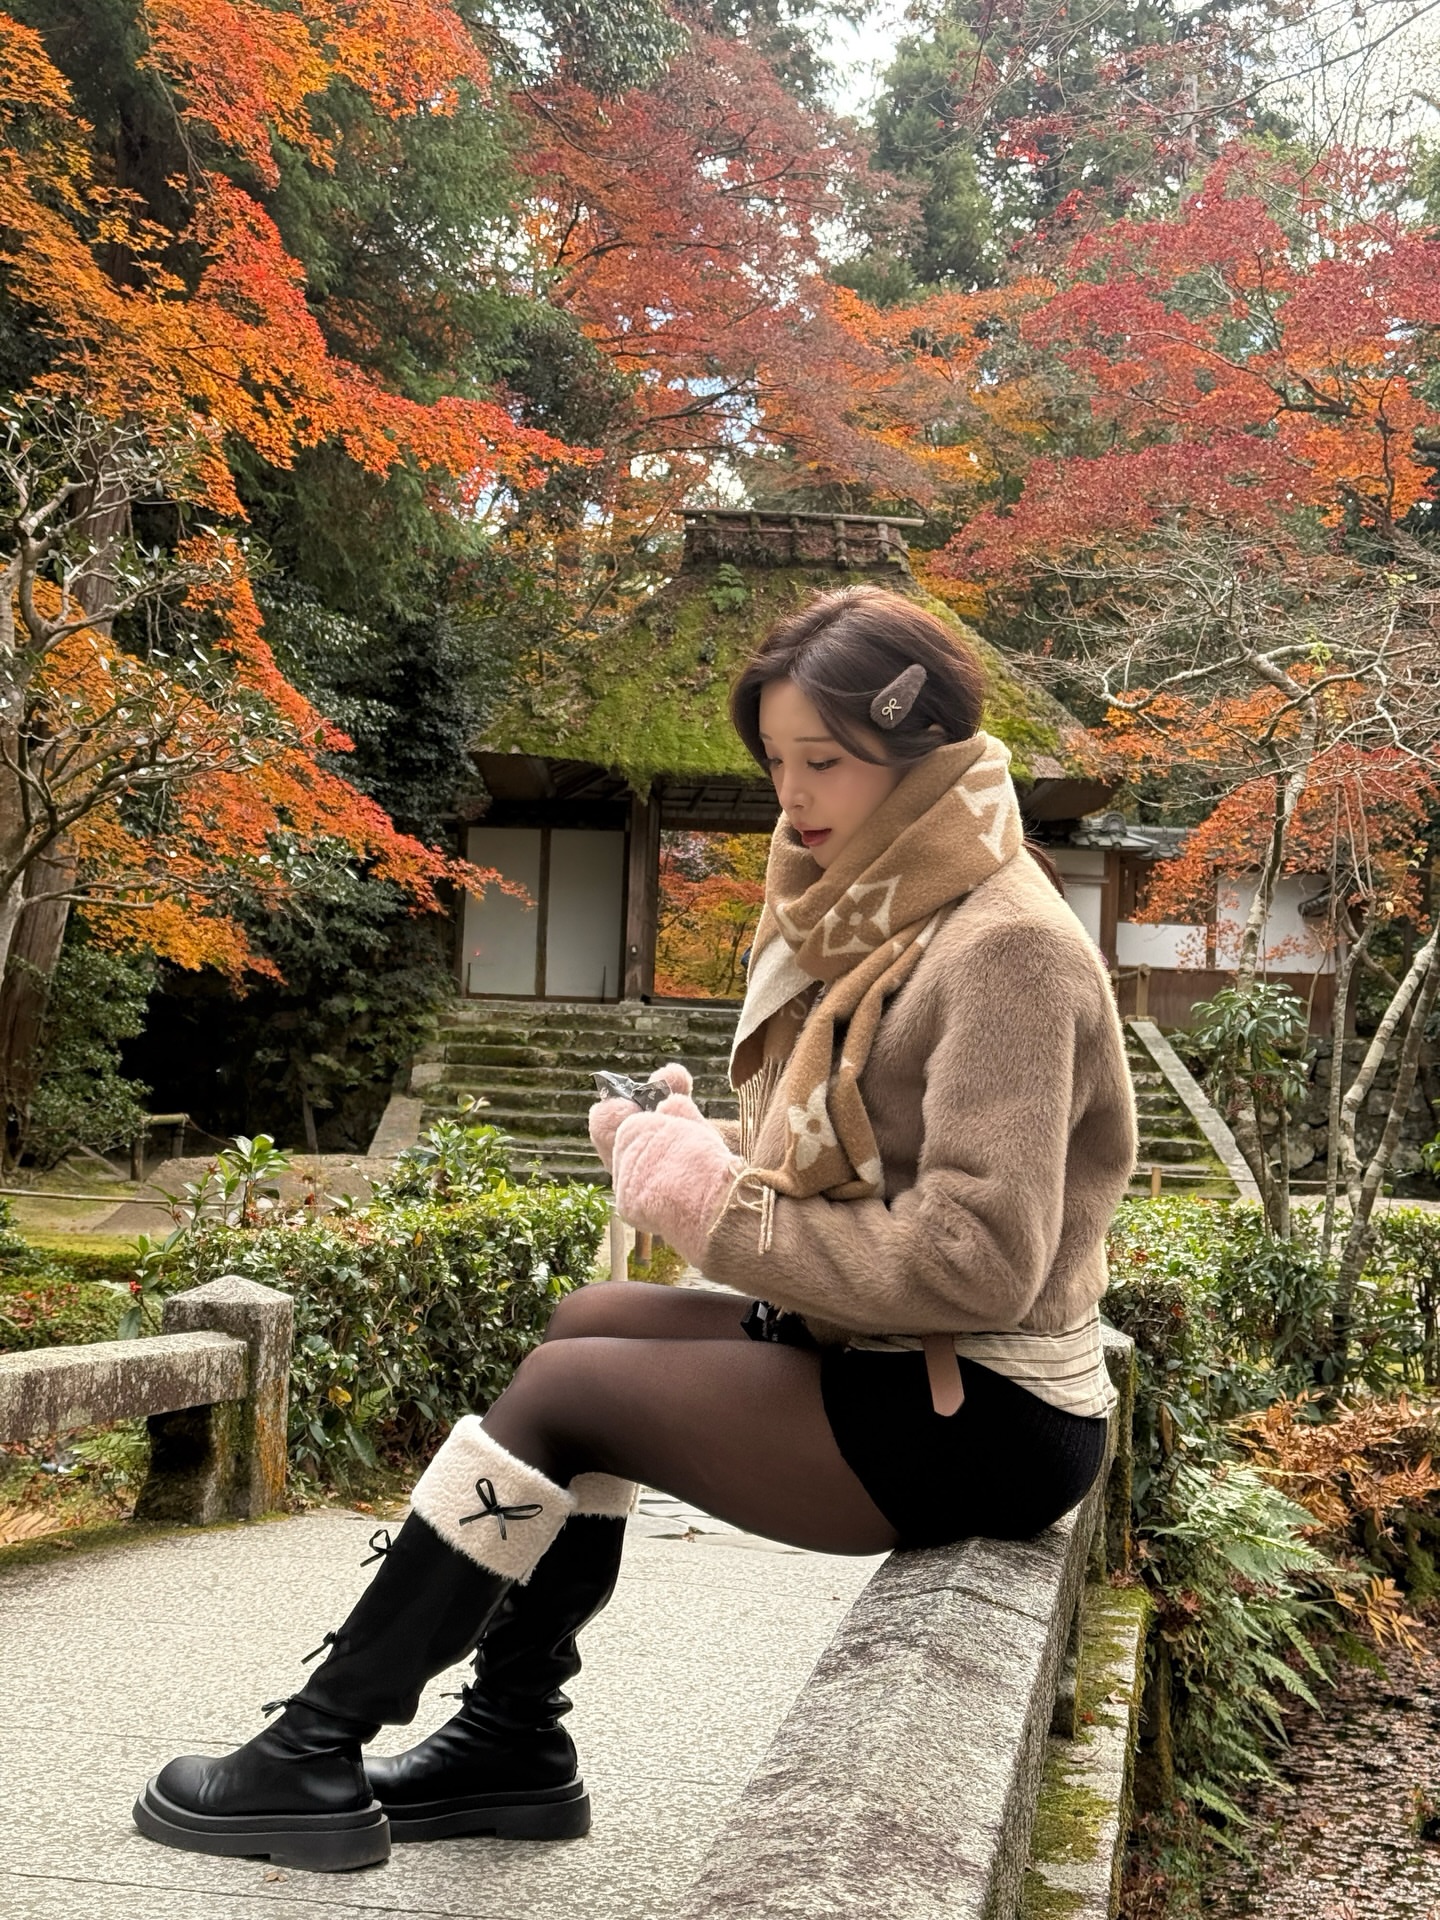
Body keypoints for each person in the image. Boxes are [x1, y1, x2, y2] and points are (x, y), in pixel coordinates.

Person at [132, 583, 1138, 1873]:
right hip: (897, 1362)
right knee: (586, 1323)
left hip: (984, 1413)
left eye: (825, 761)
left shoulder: (1006, 947)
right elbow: (855, 1161)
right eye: (776, 761)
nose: (793, 796)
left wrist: (706, 1203)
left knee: (571, 1392)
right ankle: (509, 1737)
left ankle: (317, 1746)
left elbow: (975, 1261)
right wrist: (698, 1147)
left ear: (924, 752)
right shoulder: (890, 904)